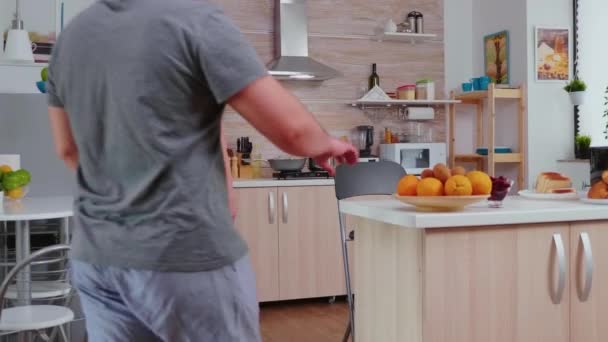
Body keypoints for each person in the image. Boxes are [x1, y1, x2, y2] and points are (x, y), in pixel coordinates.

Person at [47, 0, 358, 341]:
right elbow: (292, 131)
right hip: (181, 252)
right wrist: (327, 144)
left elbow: (68, 149)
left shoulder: (72, 37)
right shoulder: (194, 19)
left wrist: (126, 191)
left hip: (97, 256)